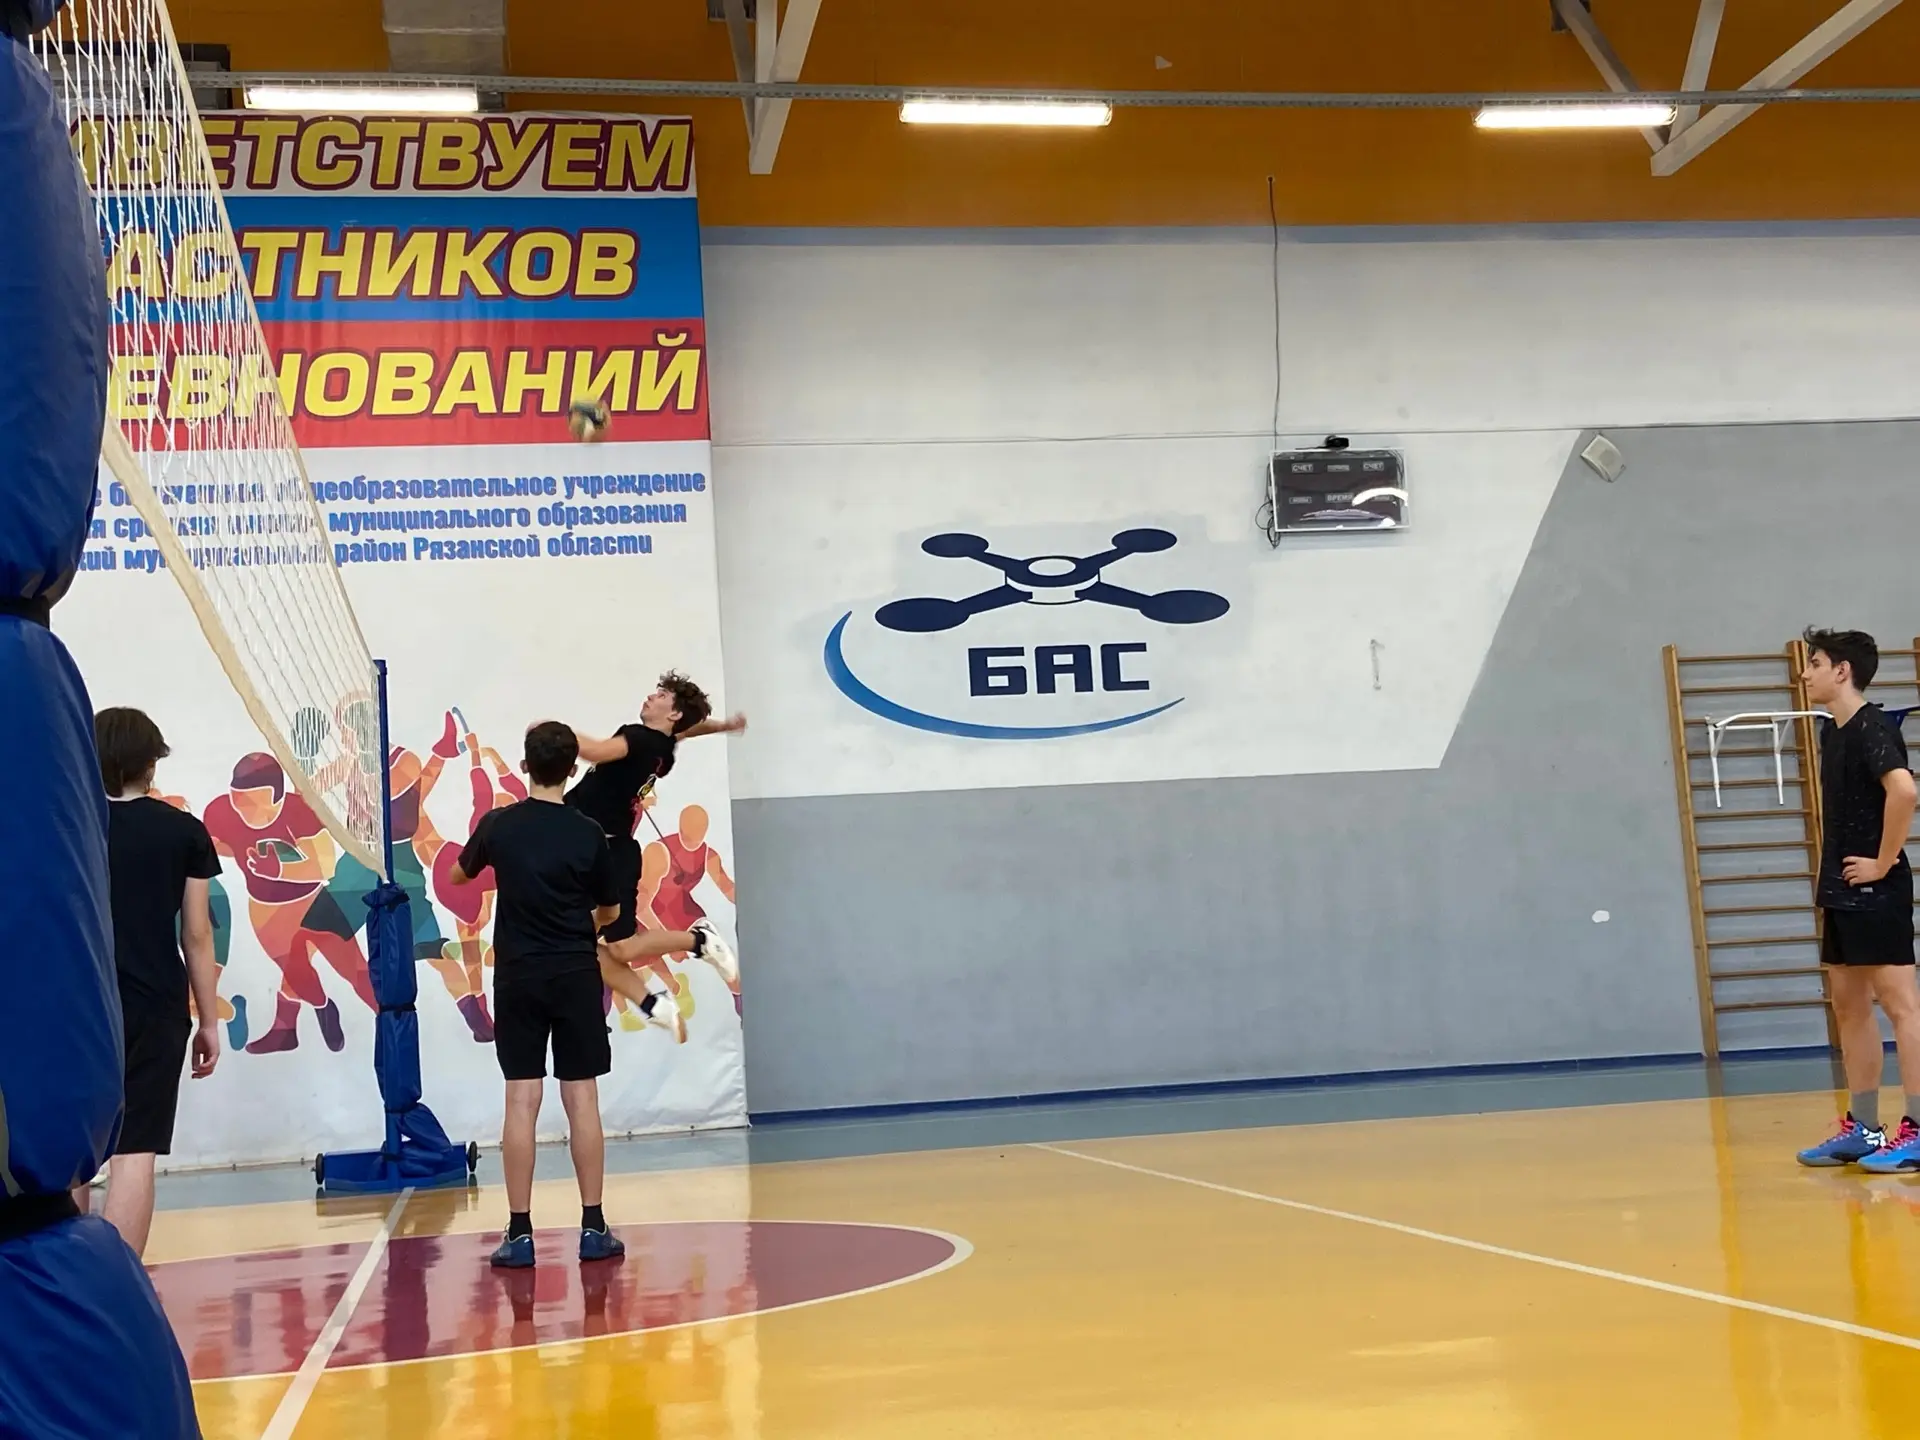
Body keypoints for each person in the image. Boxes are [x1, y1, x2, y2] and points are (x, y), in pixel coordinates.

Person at [449, 721, 626, 1267]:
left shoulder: (499, 825)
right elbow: (611, 910)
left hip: (518, 976)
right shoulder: (588, 833)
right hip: (574, 973)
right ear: (572, 769)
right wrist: (584, 922)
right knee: (582, 1098)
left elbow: (457, 876)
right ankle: (593, 1227)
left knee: (521, 1100)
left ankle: (520, 1233)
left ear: (525, 765)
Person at [89, 708, 223, 1257]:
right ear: (151, 764)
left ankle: (68, 1284)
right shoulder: (183, 831)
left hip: (79, 1005)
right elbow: (197, 934)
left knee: (71, 1153)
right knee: (134, 1152)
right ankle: (119, 1288)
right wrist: (208, 1020)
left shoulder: (70, 825)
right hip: (155, 1006)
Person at [1793, 629, 1920, 1173]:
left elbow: (1905, 791)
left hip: (1877, 889)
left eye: (1815, 663)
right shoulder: (1833, 731)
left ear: (1842, 671)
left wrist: (1884, 862)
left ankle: (1918, 1130)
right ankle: (1864, 1129)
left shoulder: (1873, 727)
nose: (1806, 673)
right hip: (1842, 889)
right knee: (1848, 1007)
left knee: (1901, 1007)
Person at [560, 672, 742, 1018]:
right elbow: (688, 729)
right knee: (616, 947)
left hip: (609, 852)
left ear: (673, 713)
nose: (651, 696)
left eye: (661, 695)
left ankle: (693, 949)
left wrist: (552, 732)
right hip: (601, 848)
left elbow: (594, 750)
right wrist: (722, 726)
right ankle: (676, 973)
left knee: (610, 945)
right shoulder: (664, 745)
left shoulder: (639, 738)